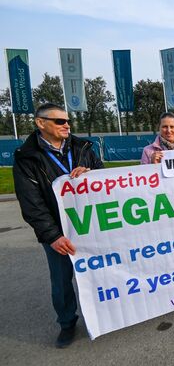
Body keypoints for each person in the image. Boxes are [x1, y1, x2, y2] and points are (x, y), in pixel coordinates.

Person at [13, 103, 103, 348]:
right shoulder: (27, 157)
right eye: (59, 121)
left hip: (90, 225)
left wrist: (91, 173)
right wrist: (52, 235)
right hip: (58, 232)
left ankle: (104, 314)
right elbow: (32, 204)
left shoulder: (81, 146)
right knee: (62, 281)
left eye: (68, 121)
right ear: (40, 123)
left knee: (100, 271)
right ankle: (67, 323)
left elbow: (103, 176)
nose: (67, 125)